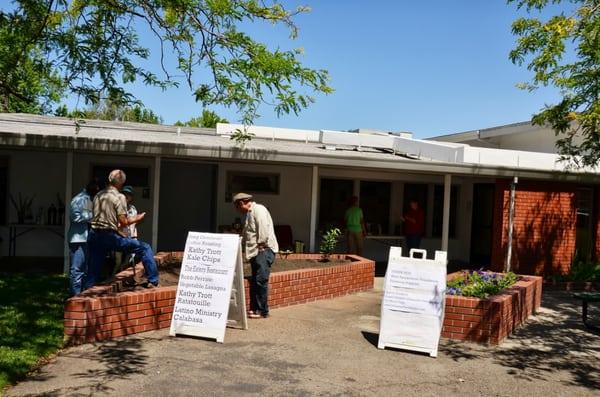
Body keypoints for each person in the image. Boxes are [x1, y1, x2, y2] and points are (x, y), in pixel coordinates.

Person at [84, 169, 159, 290]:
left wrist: (117, 232)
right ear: (121, 183)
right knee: (145, 248)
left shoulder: (99, 195)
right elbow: (123, 222)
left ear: (109, 179)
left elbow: (100, 217)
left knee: (93, 271)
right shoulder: (119, 197)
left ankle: (83, 298)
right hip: (109, 236)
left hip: (94, 235)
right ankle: (153, 280)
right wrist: (137, 218)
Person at [234, 192, 279, 319]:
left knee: (261, 280)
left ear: (242, 203)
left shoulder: (258, 209)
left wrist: (261, 246)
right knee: (256, 280)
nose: (237, 210)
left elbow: (263, 229)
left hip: (263, 250)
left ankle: (262, 311)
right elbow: (249, 233)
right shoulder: (250, 213)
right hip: (256, 251)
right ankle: (255, 308)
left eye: (237, 207)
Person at [67, 179, 99, 296]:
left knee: (84, 270)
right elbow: (75, 217)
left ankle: (82, 295)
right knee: (77, 269)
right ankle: (74, 297)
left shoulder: (88, 199)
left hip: (86, 239)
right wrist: (94, 216)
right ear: (94, 188)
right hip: (78, 239)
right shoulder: (79, 199)